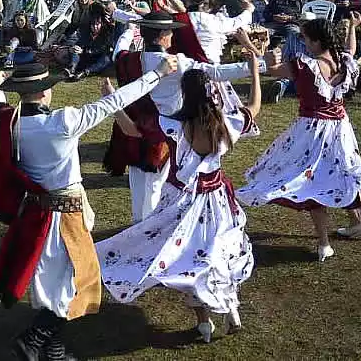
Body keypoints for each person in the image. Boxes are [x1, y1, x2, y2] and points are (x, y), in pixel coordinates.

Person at [0, 57, 178, 361]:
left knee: (53, 280)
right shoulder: (64, 121)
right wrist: (158, 73)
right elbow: (117, 100)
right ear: (46, 91)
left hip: (35, 214)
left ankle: (53, 348)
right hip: (66, 216)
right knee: (81, 278)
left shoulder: (11, 123)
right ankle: (33, 340)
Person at [98, 54, 261, 343]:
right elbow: (254, 107)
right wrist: (255, 73)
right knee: (219, 249)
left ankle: (205, 323)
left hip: (184, 200)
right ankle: (230, 309)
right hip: (218, 197)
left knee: (187, 255)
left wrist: (113, 99)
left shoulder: (173, 125)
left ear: (184, 93)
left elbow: (130, 129)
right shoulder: (226, 121)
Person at [101, 12, 278, 220]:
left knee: (141, 190)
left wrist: (129, 31)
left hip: (135, 130)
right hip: (167, 135)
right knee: (160, 191)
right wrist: (259, 65)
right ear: (162, 36)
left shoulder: (127, 59)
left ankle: (141, 230)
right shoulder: (176, 63)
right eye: (170, 31)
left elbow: (119, 50)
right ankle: (148, 235)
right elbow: (215, 72)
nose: (173, 36)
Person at [238, 15, 361, 262]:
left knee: (313, 182)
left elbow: (270, 70)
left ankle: (325, 242)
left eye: (305, 38)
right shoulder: (343, 60)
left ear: (316, 41)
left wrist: (248, 44)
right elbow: (351, 48)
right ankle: (356, 222)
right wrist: (353, 29)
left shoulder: (305, 65)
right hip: (341, 127)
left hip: (313, 131)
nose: (303, 43)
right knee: (343, 173)